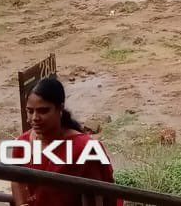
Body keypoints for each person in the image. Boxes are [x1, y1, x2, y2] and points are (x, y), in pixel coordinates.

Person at [11, 77, 121, 206]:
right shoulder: (22, 144)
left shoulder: (84, 148)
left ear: (60, 109)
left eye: (43, 111)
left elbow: (99, 196)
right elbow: (17, 182)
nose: (35, 118)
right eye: (30, 111)